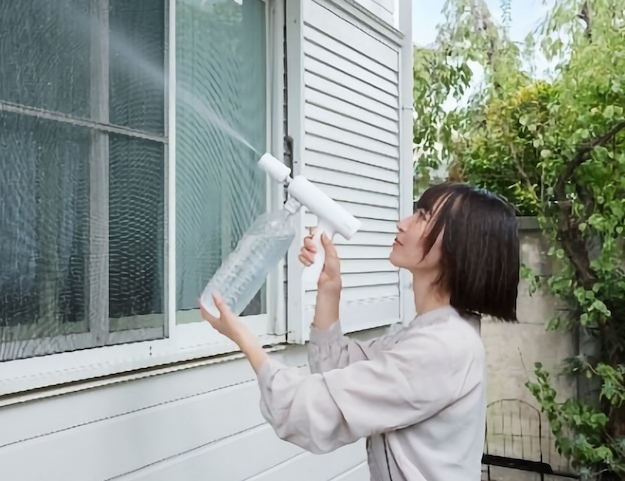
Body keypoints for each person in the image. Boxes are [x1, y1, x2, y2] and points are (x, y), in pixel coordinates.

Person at [201, 182, 519, 480]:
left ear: (458, 247)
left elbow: (312, 410)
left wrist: (242, 336)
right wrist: (329, 289)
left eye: (423, 216)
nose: (403, 223)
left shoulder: (444, 348)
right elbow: (337, 372)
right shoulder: (429, 334)